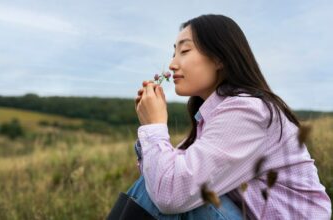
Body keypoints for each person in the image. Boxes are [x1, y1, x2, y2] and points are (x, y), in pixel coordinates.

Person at [129, 14, 331, 219]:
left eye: (185, 51)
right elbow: (164, 178)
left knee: (169, 191)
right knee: (159, 185)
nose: (172, 64)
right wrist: (148, 134)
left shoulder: (248, 111)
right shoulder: (216, 114)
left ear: (219, 58)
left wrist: (154, 126)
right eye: (173, 53)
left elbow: (170, 193)